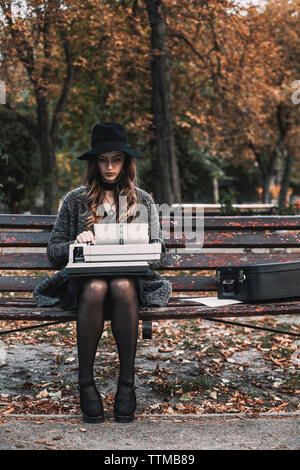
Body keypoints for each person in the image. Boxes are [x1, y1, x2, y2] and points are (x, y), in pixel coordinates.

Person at [32, 122, 172, 423]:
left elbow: (160, 254)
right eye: (103, 160)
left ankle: (126, 386)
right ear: (94, 162)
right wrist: (77, 242)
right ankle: (86, 385)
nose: (109, 167)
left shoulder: (142, 200)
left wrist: (140, 241)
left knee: (121, 284)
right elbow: (53, 251)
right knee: (97, 286)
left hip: (129, 286)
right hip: (86, 287)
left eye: (116, 159)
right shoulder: (75, 200)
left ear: (126, 162)